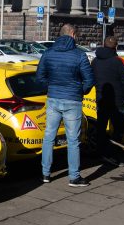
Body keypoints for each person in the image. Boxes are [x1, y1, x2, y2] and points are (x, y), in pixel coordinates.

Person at [37, 23, 95, 187]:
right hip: (72, 100)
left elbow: (40, 76)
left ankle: (45, 174)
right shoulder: (79, 55)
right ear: (72, 34)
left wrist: (50, 88)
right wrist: (80, 91)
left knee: (49, 137)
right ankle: (74, 177)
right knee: (73, 140)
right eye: (76, 35)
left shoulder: (48, 53)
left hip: (54, 98)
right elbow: (89, 80)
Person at [91, 36, 124, 167]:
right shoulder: (118, 61)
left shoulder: (95, 61)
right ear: (116, 47)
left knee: (101, 128)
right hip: (117, 101)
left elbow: (91, 78)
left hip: (101, 99)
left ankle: (101, 153)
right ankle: (113, 155)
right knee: (118, 129)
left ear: (103, 44)